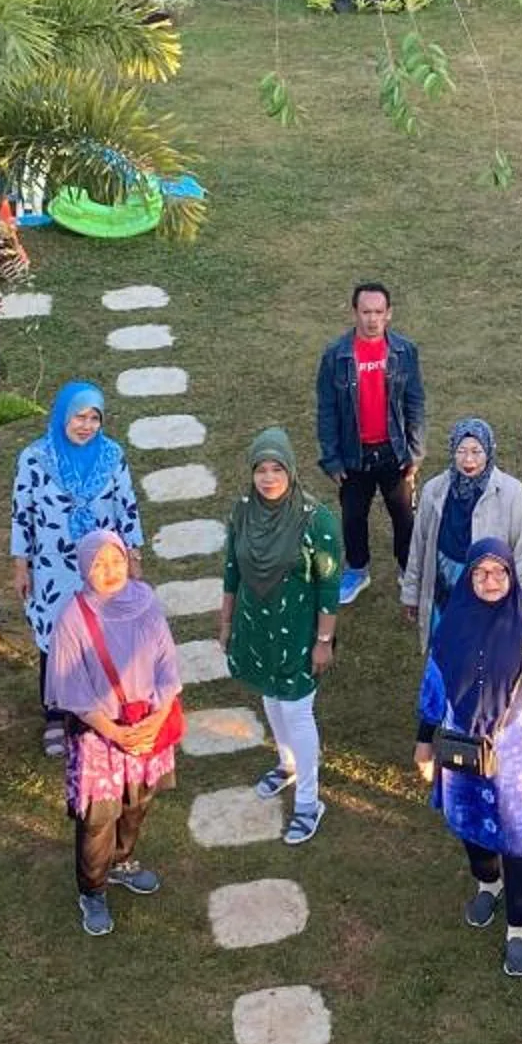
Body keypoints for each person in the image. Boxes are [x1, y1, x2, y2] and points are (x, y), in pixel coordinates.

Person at [413, 538, 522, 979]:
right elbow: (434, 687)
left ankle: (518, 930)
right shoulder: (450, 621)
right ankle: (488, 883)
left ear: (512, 574)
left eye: (498, 572)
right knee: (468, 822)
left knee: (520, 838)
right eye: (480, 573)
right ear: (469, 576)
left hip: (517, 754)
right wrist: (424, 742)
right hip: (461, 748)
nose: (490, 581)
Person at [39, 530, 183, 937]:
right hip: (100, 734)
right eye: (99, 564)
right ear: (84, 568)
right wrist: (117, 734)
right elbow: (73, 691)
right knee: (100, 817)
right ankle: (93, 889)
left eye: (116, 561)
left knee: (138, 804)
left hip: (146, 724)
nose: (110, 571)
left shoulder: (145, 602)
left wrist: (154, 720)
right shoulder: (72, 618)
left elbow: (167, 664)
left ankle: (122, 862)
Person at [220, 426, 346, 844]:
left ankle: (309, 802)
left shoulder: (316, 519)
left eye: (277, 469)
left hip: (299, 633)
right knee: (270, 698)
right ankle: (287, 763)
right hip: (256, 628)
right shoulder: (242, 511)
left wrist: (324, 641)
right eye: (261, 469)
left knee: (296, 710)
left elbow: (329, 586)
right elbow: (232, 572)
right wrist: (226, 624)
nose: (269, 478)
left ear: (290, 470)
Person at [11, 382, 144, 752]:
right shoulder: (35, 458)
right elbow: (23, 515)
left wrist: (133, 559)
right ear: (62, 416)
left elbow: (127, 508)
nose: (86, 426)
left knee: (99, 638)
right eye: (79, 417)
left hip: (102, 568)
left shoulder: (112, 456)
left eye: (94, 418)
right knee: (57, 640)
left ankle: (95, 714)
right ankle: (55, 714)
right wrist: (21, 565)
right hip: (53, 568)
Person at [314, 281, 426, 609]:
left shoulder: (404, 352)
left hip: (395, 451)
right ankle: (357, 570)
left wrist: (416, 453)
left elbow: (415, 403)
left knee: (404, 516)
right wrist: (332, 459)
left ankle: (410, 572)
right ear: (354, 313)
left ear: (389, 314)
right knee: (352, 516)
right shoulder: (335, 356)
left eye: (379, 312)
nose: (372, 319)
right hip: (354, 455)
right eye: (366, 312)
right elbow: (327, 410)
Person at [404, 417, 522, 645]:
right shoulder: (434, 490)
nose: (469, 460)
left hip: (489, 586)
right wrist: (411, 593)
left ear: (489, 451)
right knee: (444, 650)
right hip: (444, 585)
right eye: (461, 451)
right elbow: (419, 546)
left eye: (477, 451)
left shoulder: (512, 493)